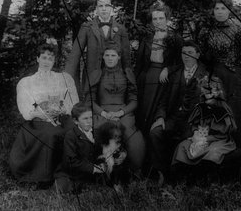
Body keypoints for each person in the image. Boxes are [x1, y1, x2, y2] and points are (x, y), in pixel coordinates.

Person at [9, 43, 79, 185]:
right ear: (37, 59)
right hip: (38, 121)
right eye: (44, 57)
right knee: (50, 134)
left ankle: (69, 171)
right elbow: (26, 108)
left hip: (60, 117)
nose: (47, 61)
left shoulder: (63, 78)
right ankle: (43, 176)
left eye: (50, 58)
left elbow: (72, 102)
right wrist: (43, 115)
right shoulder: (27, 82)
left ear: (54, 61)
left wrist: (61, 111)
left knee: (74, 130)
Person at [199, 0, 241, 152]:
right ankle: (218, 155)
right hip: (214, 75)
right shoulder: (208, 29)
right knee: (216, 113)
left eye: (223, 8)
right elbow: (203, 53)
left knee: (235, 112)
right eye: (216, 8)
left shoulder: (238, 29)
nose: (219, 11)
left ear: (229, 10)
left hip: (233, 75)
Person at [149, 40, 210, 184]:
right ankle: (162, 172)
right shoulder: (175, 72)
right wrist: (160, 117)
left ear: (198, 54)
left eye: (190, 53)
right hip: (174, 117)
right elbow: (163, 100)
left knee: (186, 140)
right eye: (184, 53)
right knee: (155, 132)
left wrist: (200, 128)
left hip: (193, 120)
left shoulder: (205, 74)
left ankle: (181, 178)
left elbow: (209, 105)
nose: (186, 56)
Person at [88, 42, 146, 177]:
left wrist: (121, 113)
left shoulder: (127, 74)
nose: (109, 58)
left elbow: (134, 101)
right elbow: (90, 100)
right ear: (102, 57)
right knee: (100, 132)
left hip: (123, 112)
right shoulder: (97, 74)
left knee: (134, 137)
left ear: (119, 57)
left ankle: (134, 172)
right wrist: (104, 114)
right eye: (106, 55)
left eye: (113, 55)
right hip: (102, 112)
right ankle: (100, 171)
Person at [65, 0, 131, 98]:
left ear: (112, 8)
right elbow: (75, 55)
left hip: (113, 80)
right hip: (92, 78)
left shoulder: (121, 29)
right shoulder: (87, 27)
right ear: (96, 9)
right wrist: (67, 78)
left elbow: (126, 59)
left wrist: (128, 80)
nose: (104, 9)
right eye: (101, 6)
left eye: (107, 6)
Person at [134, 0, 183, 134]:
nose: (158, 21)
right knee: (142, 111)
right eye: (155, 18)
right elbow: (139, 63)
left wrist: (167, 69)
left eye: (161, 18)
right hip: (147, 77)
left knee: (156, 111)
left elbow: (180, 62)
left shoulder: (175, 38)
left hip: (164, 79)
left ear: (167, 19)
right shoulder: (147, 38)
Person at [54, 103, 126, 193]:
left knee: (101, 184)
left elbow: (108, 147)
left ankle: (101, 184)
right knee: (66, 187)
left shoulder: (97, 132)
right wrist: (94, 168)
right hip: (73, 172)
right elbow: (70, 161)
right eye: (85, 118)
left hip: (91, 171)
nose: (89, 121)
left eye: (91, 117)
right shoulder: (71, 136)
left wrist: (120, 154)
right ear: (76, 121)